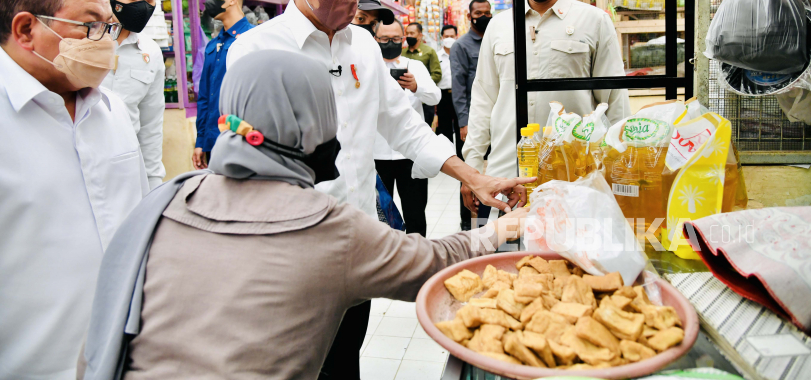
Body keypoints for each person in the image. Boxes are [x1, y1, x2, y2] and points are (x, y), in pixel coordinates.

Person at [79, 50, 527, 380]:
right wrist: (501, 230)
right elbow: (432, 264)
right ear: (314, 124)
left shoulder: (169, 200)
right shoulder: (325, 226)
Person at [226, 0, 530, 379]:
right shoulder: (256, 52)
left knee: (347, 357)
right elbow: (244, 155)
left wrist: (476, 177)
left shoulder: (363, 47)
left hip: (354, 238)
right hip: (287, 250)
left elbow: (404, 125)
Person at [0, 0, 148, 379]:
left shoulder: (113, 111)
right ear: (26, 29)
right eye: (89, 26)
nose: (104, 40)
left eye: (108, 26)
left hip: (123, 358)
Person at [463, 0, 630, 201]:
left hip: (575, 175)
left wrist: (619, 164)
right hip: (508, 174)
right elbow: (484, 98)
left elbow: (614, 100)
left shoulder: (594, 21)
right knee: (510, 242)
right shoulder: (500, 26)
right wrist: (472, 169)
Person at [101, 0, 166, 188]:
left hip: (129, 176)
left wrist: (154, 184)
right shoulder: (78, 42)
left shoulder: (150, 52)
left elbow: (150, 127)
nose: (143, 5)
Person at [373, 20, 441, 237]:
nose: (390, 43)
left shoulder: (415, 66)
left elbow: (435, 96)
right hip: (376, 153)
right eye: (384, 39)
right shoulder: (368, 66)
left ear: (403, 40)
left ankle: (418, 257)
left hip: (411, 154)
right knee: (380, 215)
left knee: (415, 212)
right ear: (375, 40)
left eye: (395, 39)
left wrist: (415, 86)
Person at [193, 0, 254, 170]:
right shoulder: (213, 45)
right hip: (213, 141)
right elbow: (204, 97)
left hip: (243, 140)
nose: (208, 1)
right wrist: (201, 141)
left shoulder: (254, 39)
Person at [451, 0, 491, 229]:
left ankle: (491, 213)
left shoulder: (496, 40)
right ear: (469, 16)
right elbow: (458, 86)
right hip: (471, 118)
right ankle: (467, 220)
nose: (484, 16)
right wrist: (463, 122)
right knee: (468, 170)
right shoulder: (462, 46)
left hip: (494, 117)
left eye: (487, 12)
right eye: (478, 12)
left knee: (492, 167)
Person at [403, 21, 442, 125]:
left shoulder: (429, 51)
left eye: (412, 33)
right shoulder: (402, 53)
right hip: (407, 101)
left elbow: (437, 74)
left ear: (420, 35)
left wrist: (421, 84)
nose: (409, 36)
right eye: (407, 33)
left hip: (425, 100)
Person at [436, 24, 459, 143]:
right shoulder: (436, 56)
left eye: (452, 36)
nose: (449, 38)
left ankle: (462, 157)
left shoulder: (460, 54)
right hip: (443, 95)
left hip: (459, 94)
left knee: (461, 126)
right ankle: (447, 157)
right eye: (446, 36)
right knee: (445, 128)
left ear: (456, 37)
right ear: (441, 38)